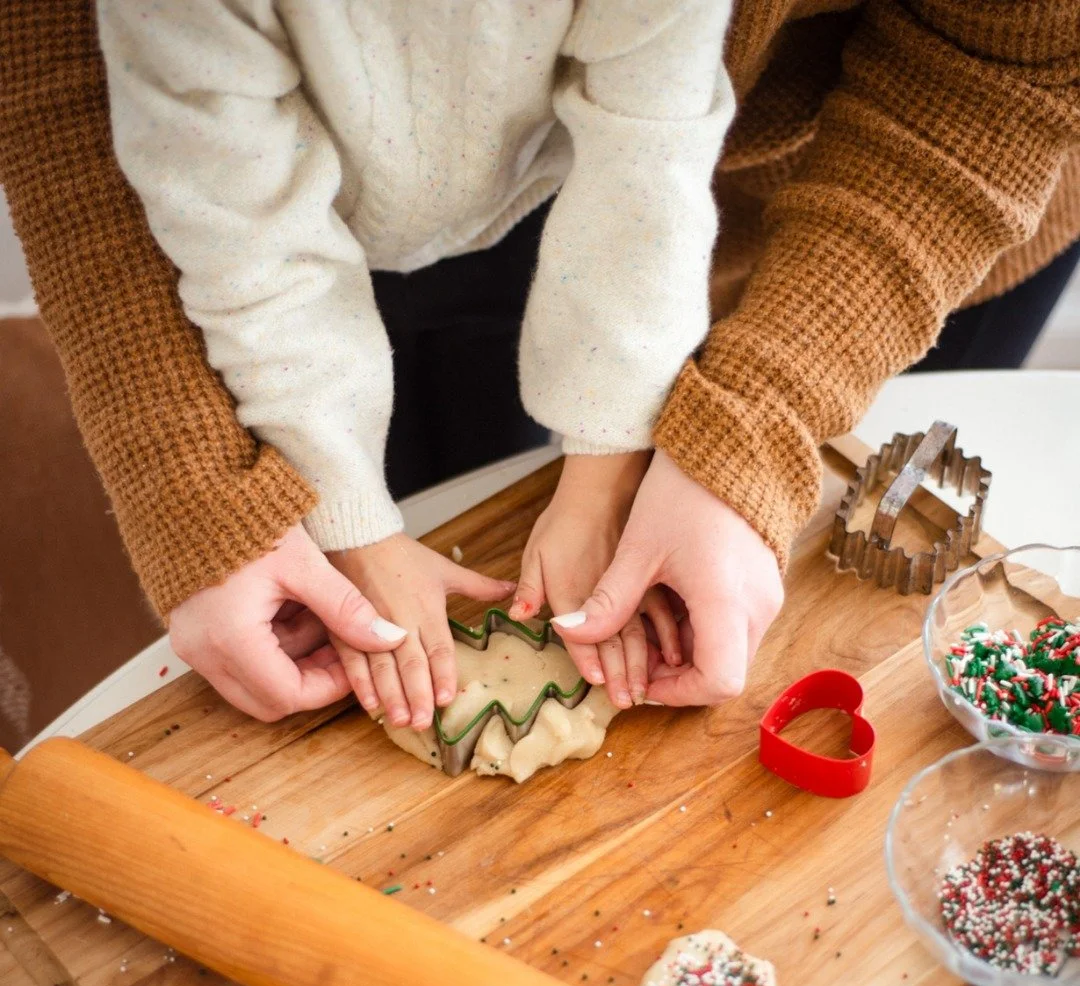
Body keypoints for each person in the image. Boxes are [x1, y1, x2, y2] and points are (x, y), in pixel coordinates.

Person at [2, 2, 1077, 730]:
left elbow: (650, 144)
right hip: (368, 218)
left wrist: (694, 448)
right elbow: (213, 195)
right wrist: (337, 511)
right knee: (457, 461)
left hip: (868, 172)